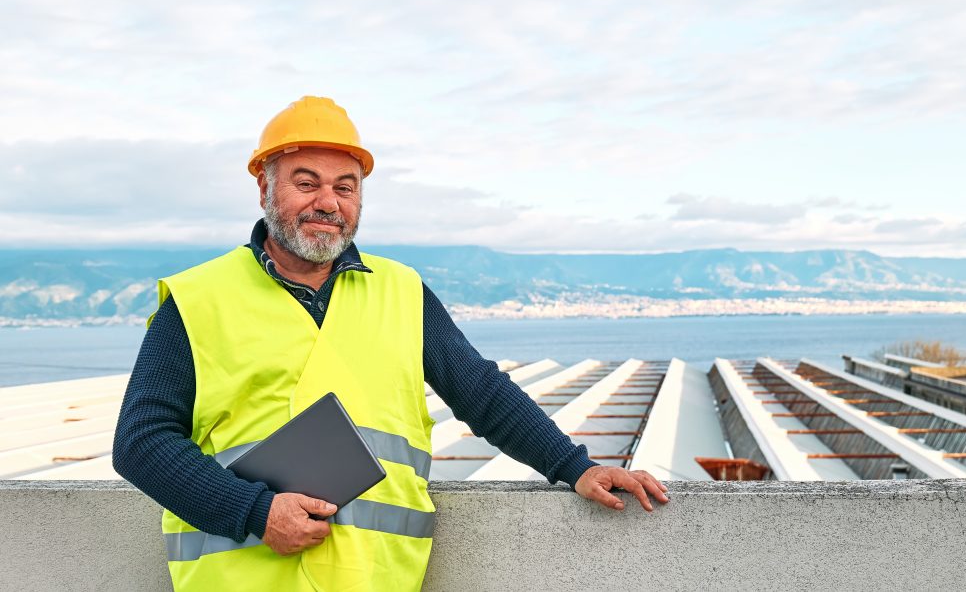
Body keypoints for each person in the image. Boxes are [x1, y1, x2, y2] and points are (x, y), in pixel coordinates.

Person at [113, 96, 669, 591]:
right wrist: (255, 511)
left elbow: (481, 392)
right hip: (242, 579)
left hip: (377, 579)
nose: (328, 202)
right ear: (264, 188)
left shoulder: (402, 291)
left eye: (345, 187)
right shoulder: (199, 298)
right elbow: (141, 442)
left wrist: (574, 467)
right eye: (306, 183)